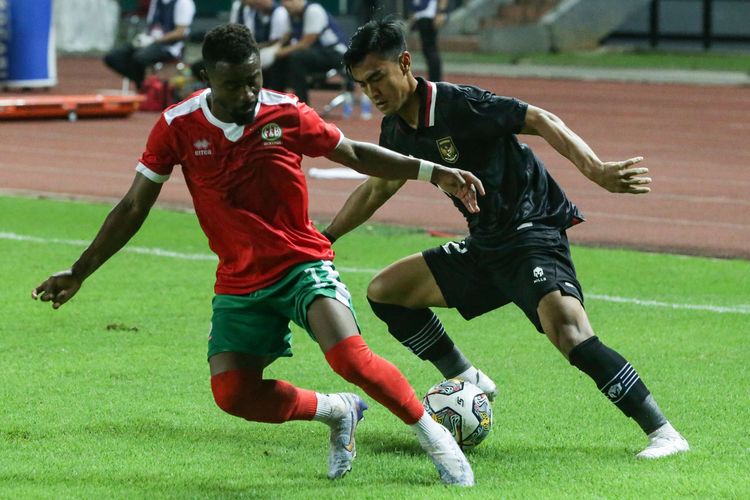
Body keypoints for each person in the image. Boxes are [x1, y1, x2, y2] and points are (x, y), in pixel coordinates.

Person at [32, 24, 484, 486]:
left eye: (254, 78)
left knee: (350, 358)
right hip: (240, 279)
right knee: (233, 394)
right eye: (234, 84)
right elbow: (132, 206)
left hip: (302, 262)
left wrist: (433, 172)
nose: (248, 92)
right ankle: (337, 410)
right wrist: (80, 270)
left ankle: (436, 440)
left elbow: (354, 154)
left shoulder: (285, 112)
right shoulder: (177, 126)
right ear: (206, 76)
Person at [324, 19, 690, 460]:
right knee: (386, 292)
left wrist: (597, 171)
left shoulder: (459, 103)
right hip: (486, 243)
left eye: (378, 77)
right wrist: (325, 238)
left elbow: (539, 118)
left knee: (568, 331)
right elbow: (377, 187)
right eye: (363, 85)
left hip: (531, 230)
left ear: (405, 62)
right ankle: (466, 377)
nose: (373, 91)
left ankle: (664, 432)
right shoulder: (397, 129)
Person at [263, 0, 348, 103]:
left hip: (335, 53)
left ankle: (303, 104)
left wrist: (279, 53)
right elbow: (286, 37)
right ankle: (276, 102)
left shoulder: (313, 10)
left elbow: (306, 43)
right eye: (284, 2)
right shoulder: (291, 15)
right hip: (314, 54)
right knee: (279, 60)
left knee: (296, 57)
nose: (287, 4)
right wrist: (274, 51)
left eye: (291, 1)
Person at [104, 0, 196, 89]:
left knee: (139, 58)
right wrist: (144, 38)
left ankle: (143, 87)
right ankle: (143, 84)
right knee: (112, 57)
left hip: (170, 46)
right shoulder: (156, 1)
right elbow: (151, 24)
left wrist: (155, 40)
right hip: (150, 41)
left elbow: (180, 32)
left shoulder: (184, 2)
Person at [409, 0, 447, 82]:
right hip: (422, 15)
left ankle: (436, 79)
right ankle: (434, 78)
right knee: (427, 49)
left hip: (429, 15)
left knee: (430, 49)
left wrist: (440, 12)